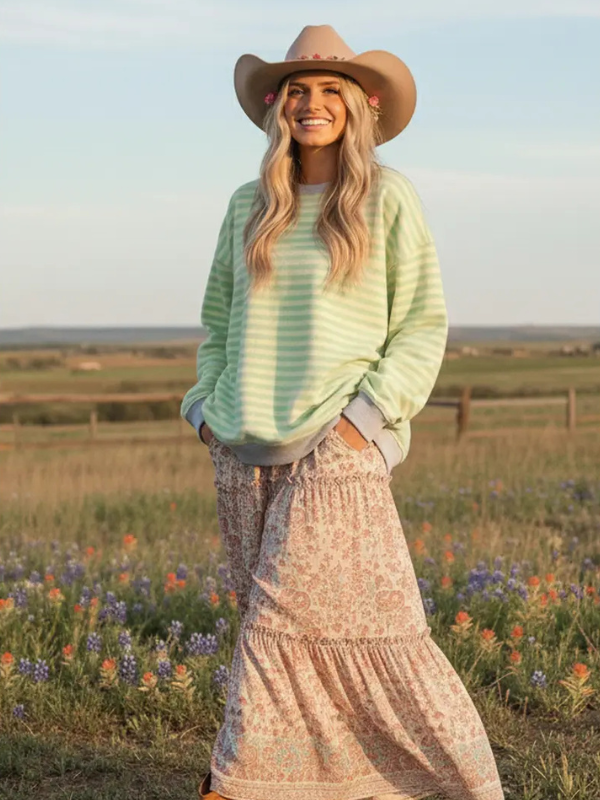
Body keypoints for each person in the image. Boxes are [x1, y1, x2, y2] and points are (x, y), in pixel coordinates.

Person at [181, 23, 505, 800]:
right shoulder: (245, 205)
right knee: (282, 637)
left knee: (299, 634)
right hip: (243, 448)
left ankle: (454, 786)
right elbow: (219, 323)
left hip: (337, 446)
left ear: (359, 107)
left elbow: (422, 324)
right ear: (276, 105)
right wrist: (203, 408)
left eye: (331, 90)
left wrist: (367, 423)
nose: (312, 103)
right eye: (298, 89)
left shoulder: (388, 198)